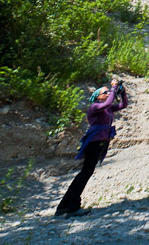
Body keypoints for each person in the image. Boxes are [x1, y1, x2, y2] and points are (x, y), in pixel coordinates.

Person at [55, 78, 128, 217]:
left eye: (108, 92)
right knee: (85, 173)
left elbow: (123, 105)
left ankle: (65, 205)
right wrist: (113, 88)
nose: (108, 93)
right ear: (98, 96)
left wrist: (122, 92)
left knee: (85, 173)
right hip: (94, 143)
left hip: (100, 143)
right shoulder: (95, 107)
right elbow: (108, 102)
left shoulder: (107, 109)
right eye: (105, 92)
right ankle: (72, 206)